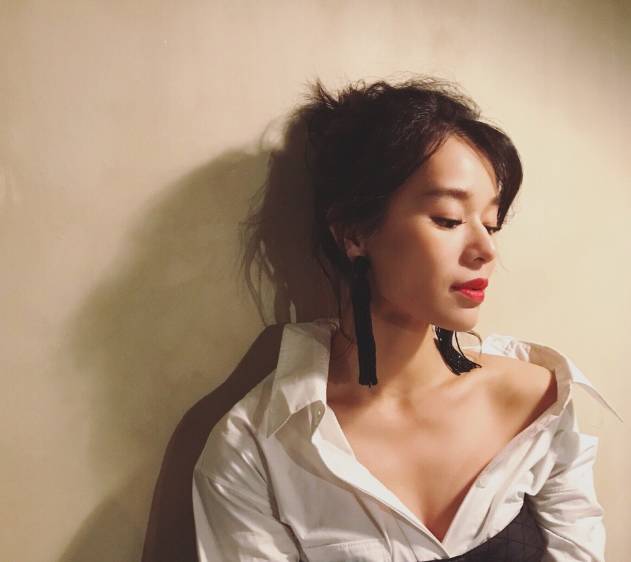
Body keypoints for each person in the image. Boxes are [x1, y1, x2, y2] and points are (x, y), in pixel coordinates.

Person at [191, 77, 622, 561]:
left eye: (492, 222)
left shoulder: (539, 401)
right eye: (448, 219)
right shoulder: (257, 450)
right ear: (354, 233)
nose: (486, 250)